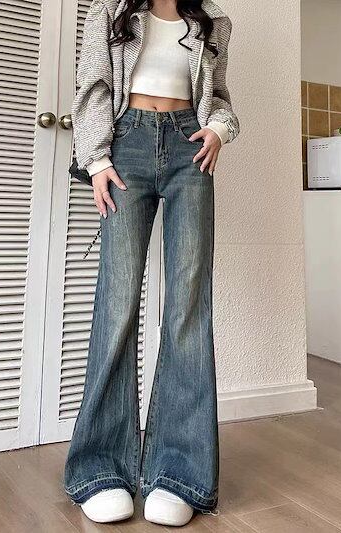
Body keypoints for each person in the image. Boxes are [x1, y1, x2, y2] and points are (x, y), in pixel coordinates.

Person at [63, 0, 240, 526]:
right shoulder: (109, 12)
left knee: (188, 308)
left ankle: (178, 474)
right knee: (117, 305)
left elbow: (219, 98)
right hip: (127, 147)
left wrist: (218, 129)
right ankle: (100, 470)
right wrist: (97, 159)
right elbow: (93, 88)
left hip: (190, 151)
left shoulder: (212, 22)